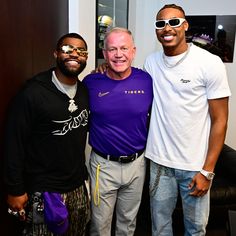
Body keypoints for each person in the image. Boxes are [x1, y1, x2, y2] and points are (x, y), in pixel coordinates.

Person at [144, 4, 231, 236]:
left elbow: (220, 119)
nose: (167, 28)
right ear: (156, 30)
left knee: (195, 230)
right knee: (160, 228)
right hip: (160, 163)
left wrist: (207, 171)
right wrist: (103, 72)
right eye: (161, 24)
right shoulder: (150, 63)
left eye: (174, 22)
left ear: (185, 25)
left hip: (194, 166)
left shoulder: (209, 62)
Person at [4, 33, 90, 236]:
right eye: (68, 49)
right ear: (56, 54)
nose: (74, 54)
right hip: (43, 190)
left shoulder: (85, 91)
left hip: (77, 185)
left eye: (81, 51)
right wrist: (15, 189)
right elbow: (13, 143)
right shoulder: (33, 92)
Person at [83, 27, 153, 236]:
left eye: (124, 48)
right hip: (103, 167)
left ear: (133, 51)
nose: (118, 54)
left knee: (128, 224)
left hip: (137, 165)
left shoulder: (147, 81)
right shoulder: (91, 83)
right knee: (99, 226)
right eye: (112, 49)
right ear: (104, 54)